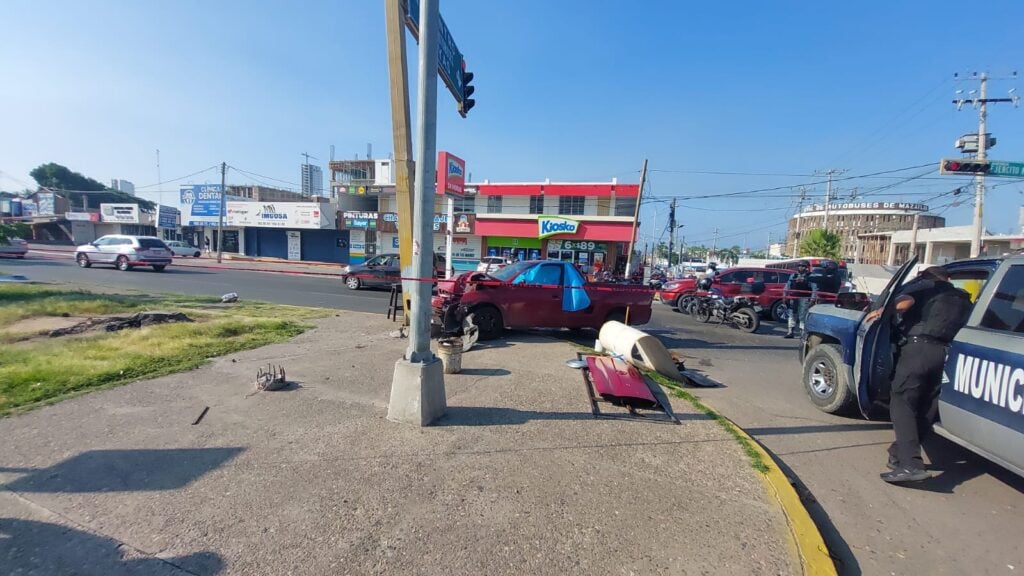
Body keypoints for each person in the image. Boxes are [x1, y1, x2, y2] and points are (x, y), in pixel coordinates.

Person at [864, 266, 973, 483]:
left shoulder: (925, 287)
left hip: (918, 350)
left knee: (902, 402)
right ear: (948, 278)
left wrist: (882, 311)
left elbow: (905, 303)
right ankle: (898, 454)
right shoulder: (963, 298)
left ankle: (910, 465)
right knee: (926, 408)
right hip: (945, 354)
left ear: (924, 277)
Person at [784, 261, 814, 338]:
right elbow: (787, 286)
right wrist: (785, 296)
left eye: (803, 266)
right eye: (799, 266)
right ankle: (790, 332)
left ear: (807, 267)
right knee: (792, 314)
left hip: (805, 298)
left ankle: (802, 333)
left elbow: (814, 289)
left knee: (803, 316)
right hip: (793, 298)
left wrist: (812, 300)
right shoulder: (793, 275)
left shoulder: (810, 276)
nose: (801, 267)